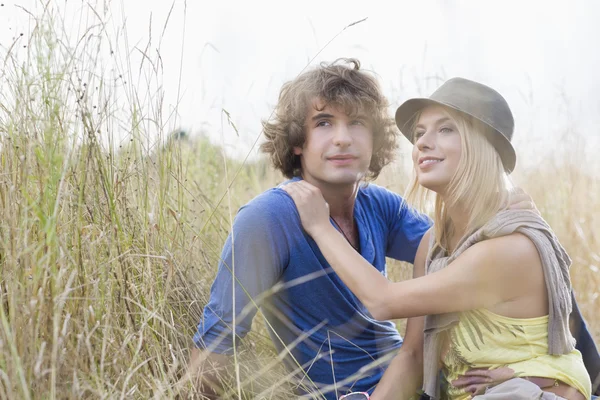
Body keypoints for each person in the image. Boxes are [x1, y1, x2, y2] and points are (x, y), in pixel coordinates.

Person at [187, 60, 598, 399]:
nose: (343, 139)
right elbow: (219, 339)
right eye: (325, 123)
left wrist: (512, 207)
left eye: (358, 124)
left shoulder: (380, 206)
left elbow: (465, 254)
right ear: (298, 141)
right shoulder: (266, 219)